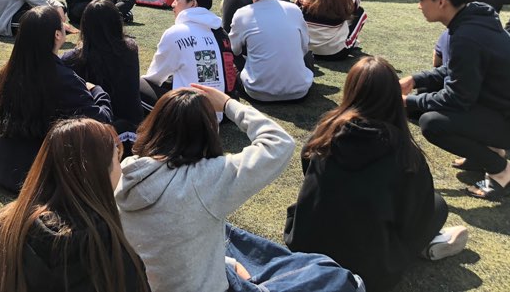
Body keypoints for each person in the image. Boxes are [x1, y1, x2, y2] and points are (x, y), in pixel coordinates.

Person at [117, 86, 361, 292]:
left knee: (231, 244)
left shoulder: (127, 173)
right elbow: (279, 142)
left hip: (155, 282)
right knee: (330, 274)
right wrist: (228, 104)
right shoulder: (205, 179)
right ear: (208, 131)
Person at [285, 56, 469, 292]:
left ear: (350, 91)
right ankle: (425, 246)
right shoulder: (405, 154)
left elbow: (308, 172)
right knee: (437, 205)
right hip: (368, 272)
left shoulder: (323, 134)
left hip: (305, 249)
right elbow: (414, 219)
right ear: (393, 97)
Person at [0, 118, 150, 292]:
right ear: (100, 173)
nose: (121, 169)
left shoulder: (11, 222)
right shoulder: (118, 256)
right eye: (116, 159)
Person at [402, 0, 510, 202]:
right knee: (427, 96)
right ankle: (485, 153)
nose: (419, 5)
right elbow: (458, 69)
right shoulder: (474, 20)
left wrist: (409, 101)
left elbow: (457, 98)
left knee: (432, 122)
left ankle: (503, 173)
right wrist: (415, 80)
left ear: (441, 1)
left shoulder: (466, 35)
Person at [0, 5, 112, 192]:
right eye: (62, 24)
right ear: (57, 35)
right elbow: (101, 120)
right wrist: (98, 90)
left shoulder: (7, 72)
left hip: (1, 169)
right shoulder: (62, 78)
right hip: (37, 180)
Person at [139, 0, 232, 115]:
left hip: (187, 114)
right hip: (218, 112)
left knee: (137, 84)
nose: (172, 4)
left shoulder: (176, 33)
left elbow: (154, 78)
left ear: (193, 4)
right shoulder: (221, 32)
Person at [62, 0, 143, 148]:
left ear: (85, 26)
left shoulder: (73, 58)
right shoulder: (130, 48)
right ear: (117, 23)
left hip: (98, 132)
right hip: (133, 126)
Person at [229, 0, 313, 102]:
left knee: (231, 59)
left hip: (258, 92)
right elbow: (304, 47)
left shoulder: (242, 14)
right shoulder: (293, 9)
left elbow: (234, 50)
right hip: (300, 91)